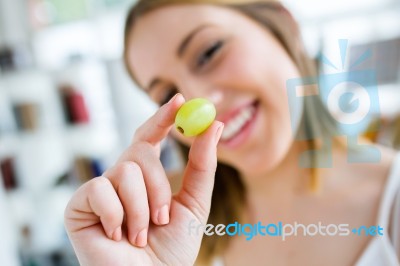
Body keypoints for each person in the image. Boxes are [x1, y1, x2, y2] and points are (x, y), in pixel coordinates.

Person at [64, 0, 400, 265]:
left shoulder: (391, 203)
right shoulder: (166, 230)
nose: (203, 104)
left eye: (209, 52)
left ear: (284, 22)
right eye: (167, 95)